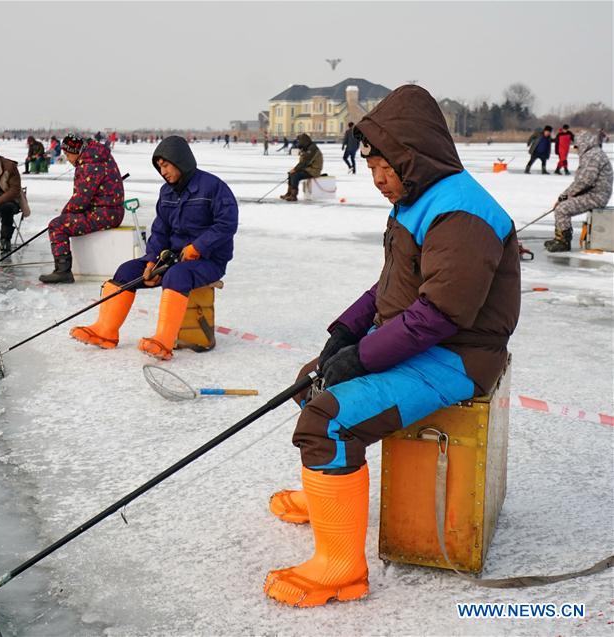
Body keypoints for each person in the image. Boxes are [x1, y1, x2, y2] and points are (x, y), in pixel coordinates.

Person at [264, 85, 520, 608]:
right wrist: (346, 333)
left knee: (327, 417)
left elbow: (440, 315)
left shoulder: (461, 214)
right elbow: (391, 285)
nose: (378, 179)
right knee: (310, 379)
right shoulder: (416, 197)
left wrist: (361, 356)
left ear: (413, 158)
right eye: (371, 165)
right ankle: (327, 498)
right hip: (421, 338)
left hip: (458, 356)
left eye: (385, 166)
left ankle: (341, 569)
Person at [70, 135, 238, 359]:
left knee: (176, 276)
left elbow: (226, 225)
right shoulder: (166, 192)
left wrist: (197, 247)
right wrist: (151, 260)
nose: (163, 171)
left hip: (208, 261)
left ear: (180, 161)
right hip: (170, 258)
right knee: (127, 271)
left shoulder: (213, 187)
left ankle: (163, 340)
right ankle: (105, 330)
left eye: (166, 165)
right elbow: (160, 231)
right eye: (159, 167)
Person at [38, 134, 125, 283]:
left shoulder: (89, 164)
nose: (68, 159)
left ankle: (63, 271)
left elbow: (81, 199)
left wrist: (63, 216)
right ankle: (62, 269)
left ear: (75, 151)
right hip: (111, 211)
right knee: (62, 221)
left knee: (57, 226)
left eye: (67, 154)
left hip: (103, 213)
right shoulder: (98, 156)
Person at [544, 130, 613, 252]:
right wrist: (567, 196)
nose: (576, 149)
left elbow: (584, 181)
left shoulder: (592, 156)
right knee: (562, 206)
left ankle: (563, 242)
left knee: (562, 209)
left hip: (596, 196)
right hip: (593, 193)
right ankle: (560, 237)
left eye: (576, 146)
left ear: (583, 143)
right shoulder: (592, 154)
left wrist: (564, 197)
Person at [280, 133, 323, 201]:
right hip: (308, 169)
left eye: (299, 141)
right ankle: (289, 193)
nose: (298, 143)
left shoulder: (312, 149)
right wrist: (294, 169)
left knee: (295, 175)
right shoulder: (306, 147)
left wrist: (295, 169)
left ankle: (294, 195)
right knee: (291, 173)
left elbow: (305, 162)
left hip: (314, 170)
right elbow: (302, 163)